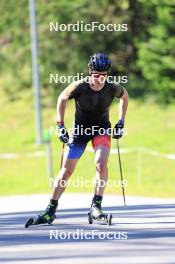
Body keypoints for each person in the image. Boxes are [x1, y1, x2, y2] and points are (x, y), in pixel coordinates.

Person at [36, 53, 129, 224]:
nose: (100, 79)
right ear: (90, 71)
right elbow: (62, 98)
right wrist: (60, 125)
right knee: (66, 171)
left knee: (101, 163)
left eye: (103, 75)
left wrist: (121, 121)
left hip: (101, 130)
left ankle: (96, 207)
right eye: (96, 75)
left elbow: (125, 96)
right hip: (79, 131)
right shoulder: (79, 86)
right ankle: (50, 210)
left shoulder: (112, 87)